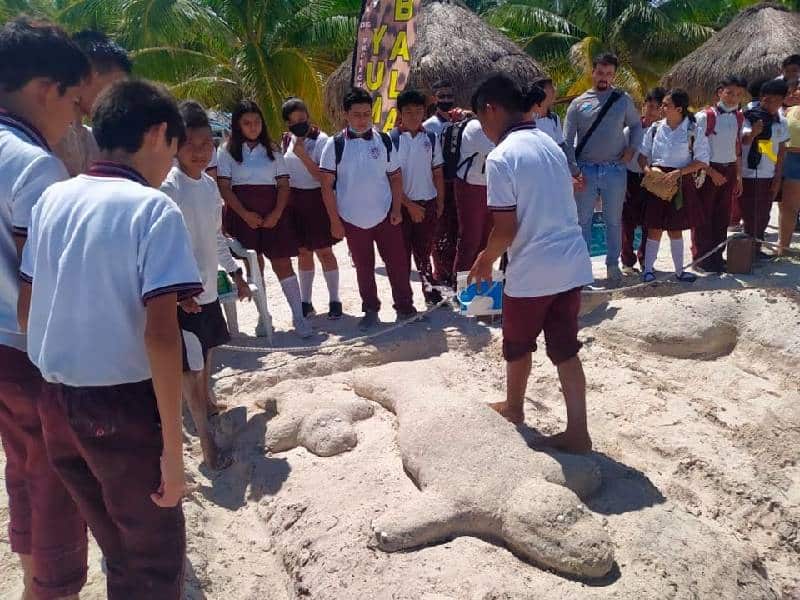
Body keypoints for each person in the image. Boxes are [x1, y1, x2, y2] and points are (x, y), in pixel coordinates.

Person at [18, 79, 200, 600]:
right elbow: (162, 339)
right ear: (159, 133)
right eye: (174, 145)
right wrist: (172, 450)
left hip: (56, 402)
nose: (172, 160)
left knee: (116, 548)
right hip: (120, 407)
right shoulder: (152, 208)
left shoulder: (55, 197)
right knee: (153, 559)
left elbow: (31, 307)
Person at [0, 18, 90, 600]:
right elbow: (46, 286)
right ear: (43, 90)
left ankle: (34, 573)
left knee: (24, 465)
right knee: (59, 476)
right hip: (29, 348)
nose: (77, 118)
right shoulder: (34, 165)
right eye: (75, 102)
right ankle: (49, 586)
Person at [468, 74, 594, 453]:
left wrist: (484, 259)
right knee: (565, 349)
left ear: (491, 109)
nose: (482, 128)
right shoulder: (549, 143)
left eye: (480, 118)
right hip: (571, 262)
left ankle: (514, 407)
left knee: (518, 344)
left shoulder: (502, 157)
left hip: (534, 268)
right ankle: (578, 431)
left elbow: (506, 229)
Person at [160, 101, 249, 471]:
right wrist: (180, 294)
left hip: (208, 288)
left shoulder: (209, 185)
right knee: (189, 369)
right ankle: (206, 445)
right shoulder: (169, 186)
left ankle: (208, 403)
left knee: (208, 353)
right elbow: (163, 245)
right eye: (190, 144)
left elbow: (215, 237)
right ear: (175, 146)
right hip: (184, 296)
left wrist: (236, 273)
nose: (199, 151)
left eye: (205, 144)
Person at [319, 87, 415, 331]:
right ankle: (370, 309)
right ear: (346, 115)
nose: (362, 119)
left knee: (398, 263)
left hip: (385, 214)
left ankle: (405, 307)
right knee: (364, 267)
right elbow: (326, 186)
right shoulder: (335, 145)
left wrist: (396, 209)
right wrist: (334, 221)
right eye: (357, 114)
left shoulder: (383, 140)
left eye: (366, 114)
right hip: (352, 218)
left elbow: (395, 177)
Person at [217, 100, 311, 338]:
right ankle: (263, 316)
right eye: (247, 123)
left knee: (283, 264)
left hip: (274, 214)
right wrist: (244, 214)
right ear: (238, 125)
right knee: (254, 267)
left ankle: (299, 318)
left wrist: (276, 214)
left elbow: (283, 184)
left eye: (257, 122)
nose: (253, 127)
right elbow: (225, 187)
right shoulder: (227, 150)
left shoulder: (273, 149)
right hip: (243, 216)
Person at [564, 53, 643, 286]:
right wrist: (574, 171)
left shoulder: (622, 99)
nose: (604, 77)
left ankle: (612, 265)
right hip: (586, 170)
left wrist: (632, 149)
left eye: (609, 74)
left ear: (614, 75)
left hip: (615, 169)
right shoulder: (578, 104)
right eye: (600, 72)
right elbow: (567, 141)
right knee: (583, 221)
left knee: (613, 220)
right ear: (593, 72)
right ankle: (582, 268)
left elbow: (637, 126)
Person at [638, 89, 710, 283]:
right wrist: (649, 172)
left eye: (666, 105)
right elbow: (642, 156)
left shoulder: (693, 130)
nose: (661, 108)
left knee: (675, 229)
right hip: (657, 182)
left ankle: (679, 271)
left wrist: (678, 173)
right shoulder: (655, 128)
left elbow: (702, 161)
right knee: (654, 227)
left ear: (678, 109)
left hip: (680, 181)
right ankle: (648, 271)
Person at [281, 97, 342, 319]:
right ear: (287, 123)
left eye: (302, 117)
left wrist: (303, 155)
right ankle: (306, 301)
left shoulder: (322, 140)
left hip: (317, 198)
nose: (299, 123)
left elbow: (322, 177)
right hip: (296, 201)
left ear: (308, 116)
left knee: (325, 251)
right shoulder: (287, 139)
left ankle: (335, 299)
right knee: (303, 253)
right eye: (294, 120)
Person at [393, 89, 446, 305]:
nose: (414, 116)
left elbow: (438, 173)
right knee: (401, 255)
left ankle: (429, 291)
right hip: (402, 207)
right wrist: (409, 205)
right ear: (400, 114)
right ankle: (404, 300)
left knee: (424, 253)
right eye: (408, 112)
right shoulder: (391, 140)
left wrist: (440, 202)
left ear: (424, 112)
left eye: (418, 111)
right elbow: (390, 180)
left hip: (428, 203)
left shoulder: (431, 138)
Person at [54, 30, 131, 176]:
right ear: (86, 75)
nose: (118, 98)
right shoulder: (48, 135)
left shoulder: (92, 141)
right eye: (114, 86)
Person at [692, 76, 748, 272]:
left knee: (722, 217)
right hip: (708, 170)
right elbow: (697, 150)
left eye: (738, 94)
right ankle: (701, 259)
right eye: (730, 92)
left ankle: (717, 258)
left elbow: (737, 147)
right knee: (703, 216)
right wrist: (711, 172)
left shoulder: (739, 117)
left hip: (729, 169)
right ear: (720, 92)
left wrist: (739, 176)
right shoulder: (705, 117)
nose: (734, 97)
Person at [739, 78, 790, 256]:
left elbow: (782, 151)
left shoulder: (781, 121)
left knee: (764, 213)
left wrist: (778, 178)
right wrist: (754, 132)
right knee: (749, 213)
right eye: (766, 99)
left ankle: (757, 248)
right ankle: (747, 250)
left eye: (774, 100)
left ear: (782, 100)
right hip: (749, 172)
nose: (769, 103)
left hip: (769, 174)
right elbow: (743, 140)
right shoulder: (749, 115)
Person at [424, 80, 463, 288]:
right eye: (442, 96)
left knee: (457, 230)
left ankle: (456, 271)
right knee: (439, 232)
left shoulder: (461, 123)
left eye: (449, 96)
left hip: (458, 183)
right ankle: (441, 273)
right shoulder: (429, 126)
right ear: (434, 98)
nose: (446, 100)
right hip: (438, 184)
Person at [622, 87, 665, 274]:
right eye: (650, 106)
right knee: (627, 223)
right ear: (644, 106)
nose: (653, 111)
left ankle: (646, 260)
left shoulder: (663, 131)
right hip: (631, 178)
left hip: (653, 180)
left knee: (651, 222)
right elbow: (621, 157)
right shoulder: (630, 130)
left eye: (658, 107)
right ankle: (627, 262)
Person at [453, 115, 495, 276]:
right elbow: (496, 151)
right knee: (470, 240)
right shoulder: (475, 127)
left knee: (486, 241)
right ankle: (460, 285)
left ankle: (479, 281)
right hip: (470, 186)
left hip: (490, 187)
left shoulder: (499, 126)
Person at [779, 81, 800, 255]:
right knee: (788, 207)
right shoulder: (788, 111)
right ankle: (783, 248)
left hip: (792, 157)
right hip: (791, 160)